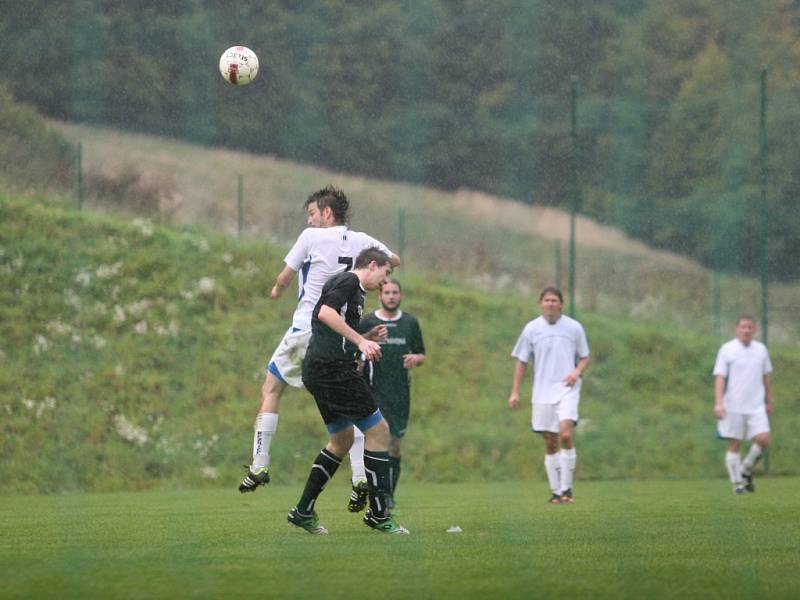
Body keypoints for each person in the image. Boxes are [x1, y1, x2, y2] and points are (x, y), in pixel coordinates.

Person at [238, 186, 400, 493]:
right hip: (338, 339)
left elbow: (285, 276)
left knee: (271, 389)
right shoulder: (363, 241)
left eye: (313, 213)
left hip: (307, 328)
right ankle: (359, 476)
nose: (310, 220)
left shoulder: (310, 237)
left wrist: (275, 290)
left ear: (327, 212)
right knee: (352, 402)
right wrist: (379, 265)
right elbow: (395, 258)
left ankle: (259, 464)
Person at [288, 247, 409, 535]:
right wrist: (361, 341)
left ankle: (303, 510)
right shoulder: (348, 282)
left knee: (341, 440)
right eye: (385, 273)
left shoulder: (354, 290)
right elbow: (325, 313)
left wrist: (364, 337)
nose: (384, 281)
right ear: (372, 264)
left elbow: (332, 329)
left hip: (321, 370)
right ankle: (378, 514)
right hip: (332, 371)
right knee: (379, 431)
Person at [507, 286, 590, 504]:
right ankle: (555, 492)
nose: (550, 304)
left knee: (565, 435)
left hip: (567, 389)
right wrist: (515, 392)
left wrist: (576, 372)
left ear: (561, 304)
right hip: (542, 392)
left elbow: (585, 356)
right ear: (540, 303)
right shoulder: (532, 329)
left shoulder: (574, 328)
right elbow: (522, 361)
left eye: (554, 300)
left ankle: (567, 490)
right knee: (550, 442)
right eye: (547, 300)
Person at [350, 278, 425, 510]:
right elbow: (352, 347)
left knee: (394, 445)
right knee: (373, 442)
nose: (391, 296)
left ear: (400, 295)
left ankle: (388, 494)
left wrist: (416, 359)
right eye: (387, 292)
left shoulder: (410, 322)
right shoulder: (368, 321)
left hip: (400, 393)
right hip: (372, 392)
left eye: (395, 292)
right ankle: (374, 493)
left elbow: (421, 353)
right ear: (380, 295)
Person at [713, 314, 773, 494]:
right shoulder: (727, 349)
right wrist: (719, 403)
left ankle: (745, 469)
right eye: (743, 327)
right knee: (735, 444)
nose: (746, 330)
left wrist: (769, 400)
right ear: (737, 329)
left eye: (750, 327)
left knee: (763, 439)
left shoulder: (761, 350)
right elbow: (720, 377)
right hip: (734, 405)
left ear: (754, 329)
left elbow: (765, 377)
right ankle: (737, 483)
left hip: (756, 406)